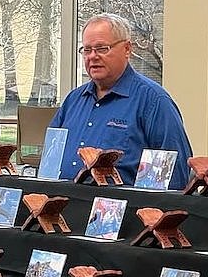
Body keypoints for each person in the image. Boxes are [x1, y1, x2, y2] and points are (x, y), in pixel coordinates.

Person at [49, 13, 193, 189]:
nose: (92, 56)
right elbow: (50, 161)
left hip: (120, 212)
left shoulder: (153, 102)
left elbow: (172, 176)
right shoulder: (73, 100)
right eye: (87, 50)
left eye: (102, 48)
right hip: (62, 207)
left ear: (127, 49)